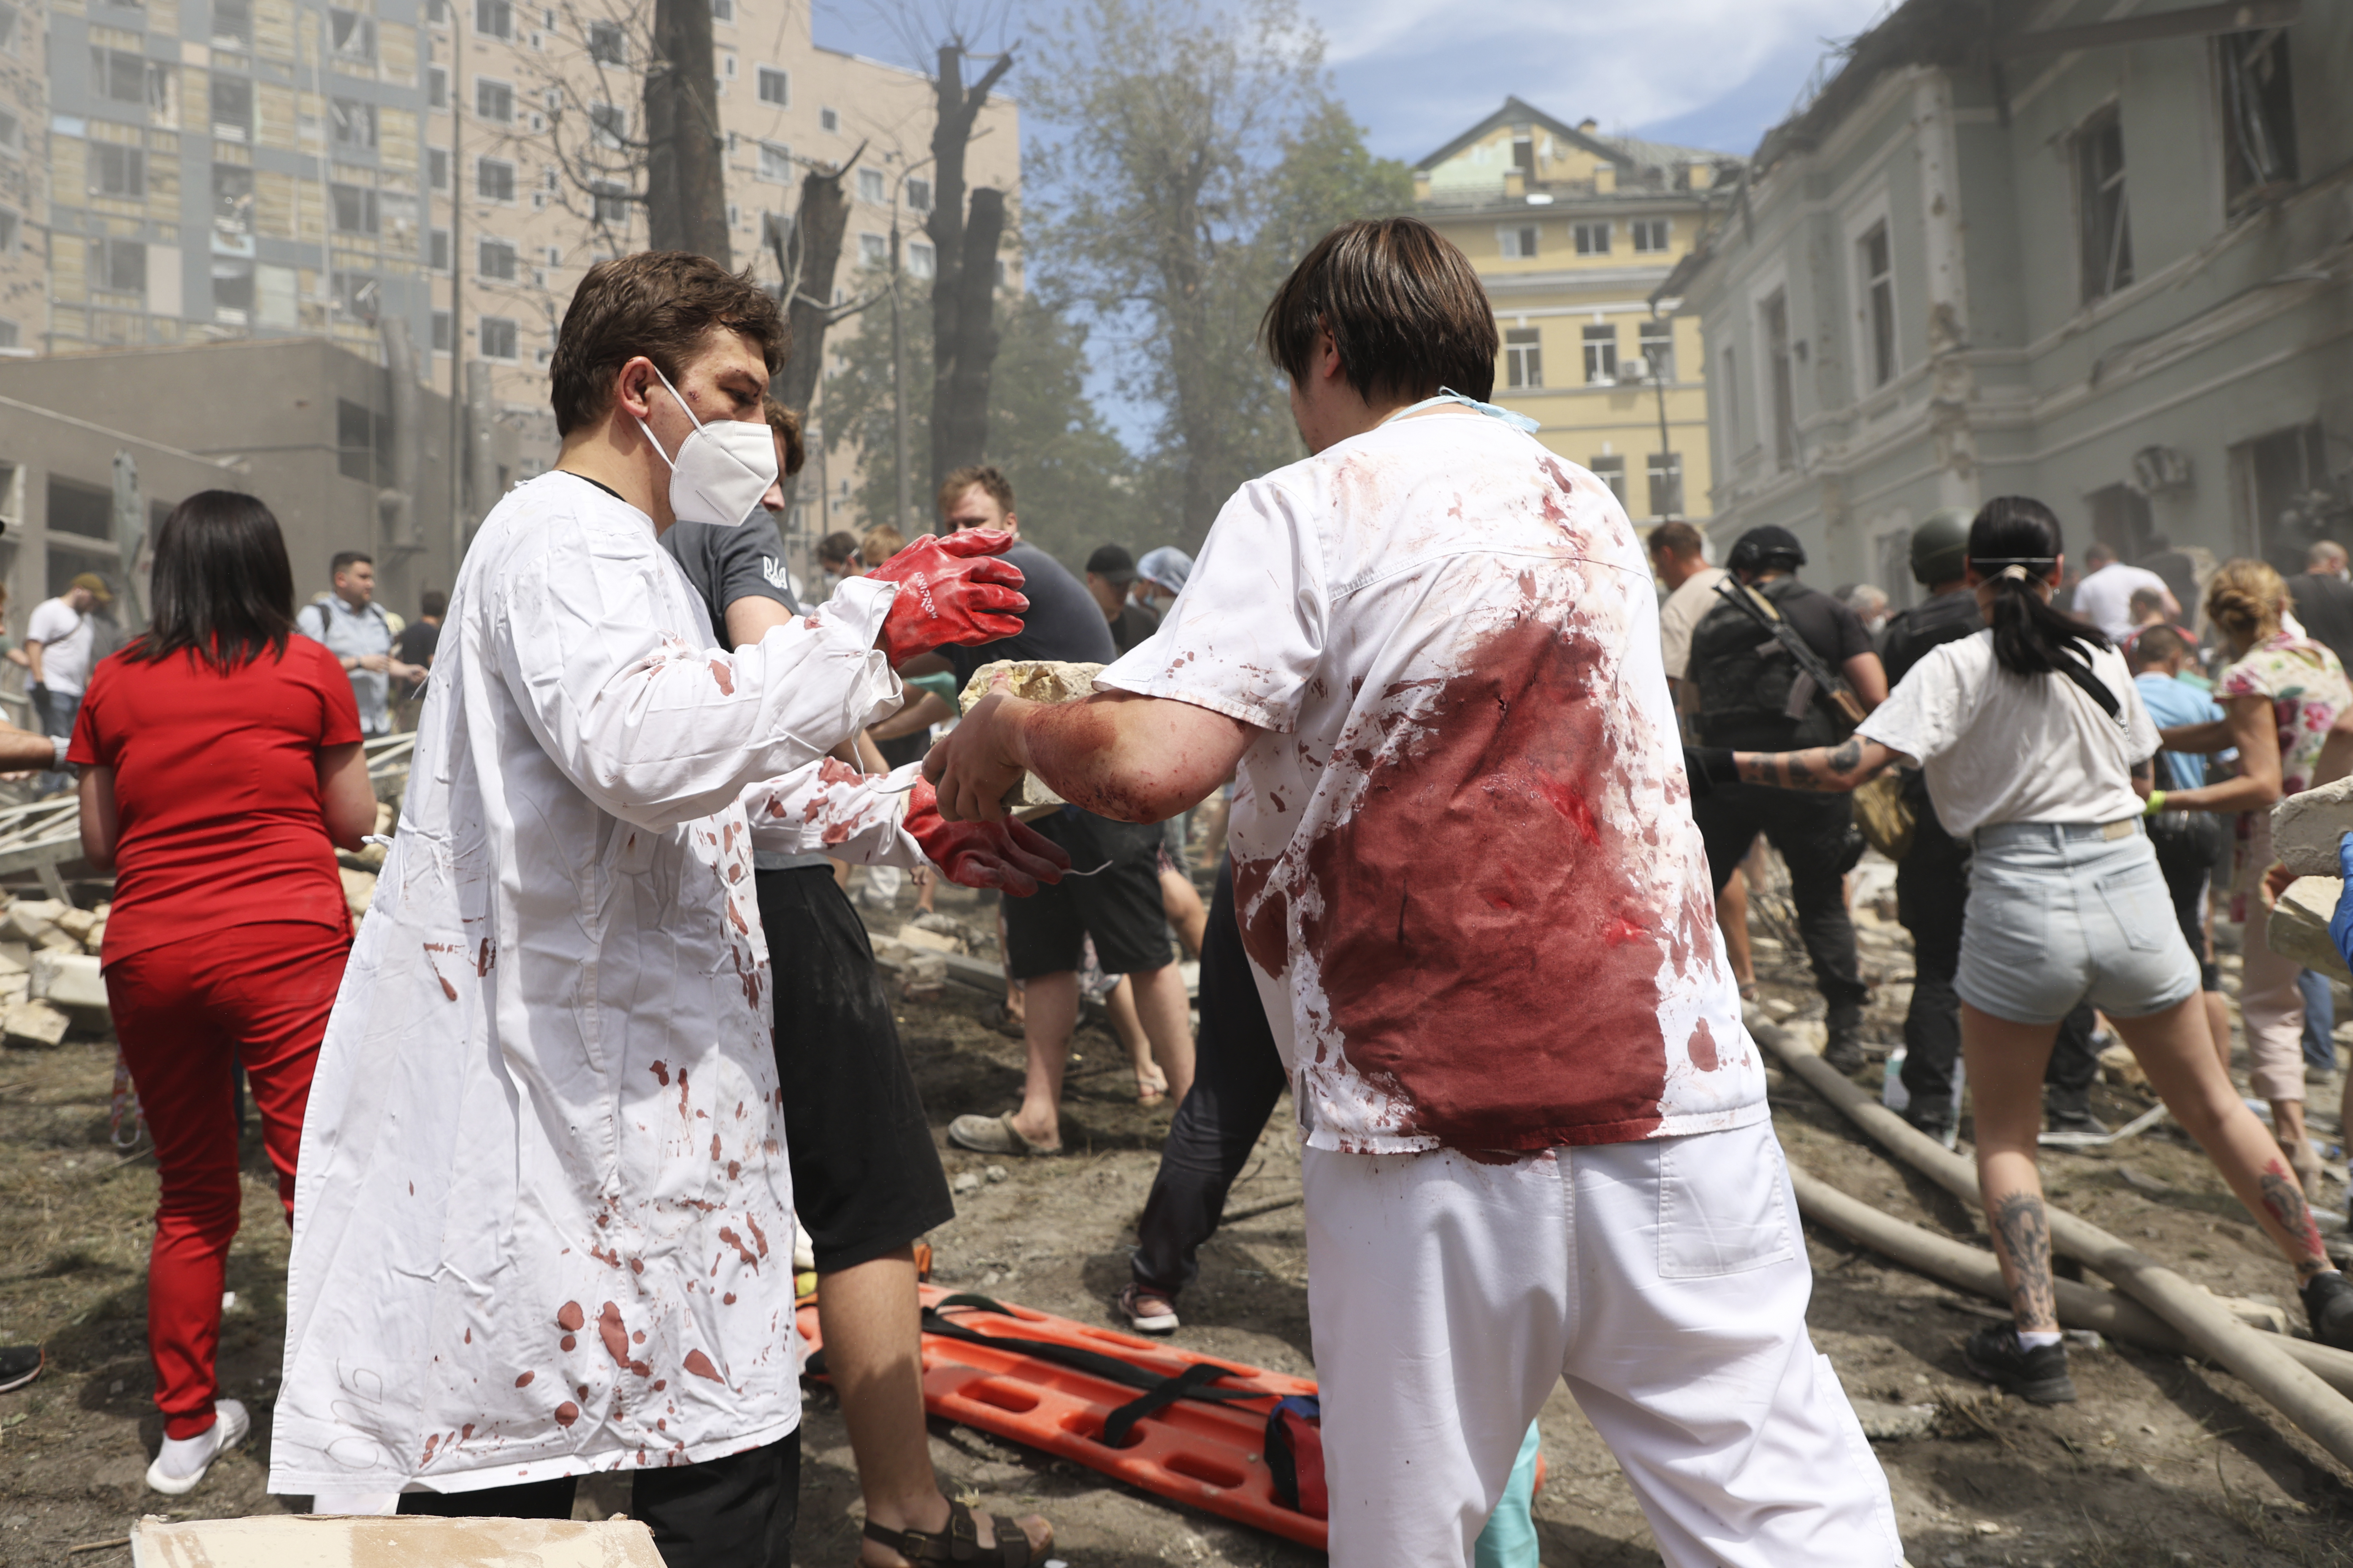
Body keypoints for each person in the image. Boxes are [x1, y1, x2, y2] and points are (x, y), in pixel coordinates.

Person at [928, 216, 1901, 1565]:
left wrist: (1007, 730)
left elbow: (1150, 759)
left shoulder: (1312, 500)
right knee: (1783, 1516)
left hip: (1431, 1119)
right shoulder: (1586, 503)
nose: (1293, 411)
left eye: (1292, 378)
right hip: (1674, 1100)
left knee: (1414, 1534)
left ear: (1327, 348)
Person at [267, 251, 1059, 1563]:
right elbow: (638, 741)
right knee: (514, 1499)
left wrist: (894, 812)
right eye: (734, 392)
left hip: (662, 1145)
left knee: (715, 1473)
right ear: (641, 388)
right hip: (559, 1133)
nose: (755, 431)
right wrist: (871, 623)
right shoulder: (558, 538)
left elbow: (703, 789)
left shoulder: (630, 559)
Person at [1687, 497, 2353, 1404]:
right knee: (2215, 1106)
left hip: (2015, 896)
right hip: (2129, 886)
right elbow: (2142, 777)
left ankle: (2038, 1341)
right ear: (2059, 570)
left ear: (1968, 576)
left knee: (2005, 1134)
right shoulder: (2102, 656)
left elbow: (1844, 768)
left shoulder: (1951, 665)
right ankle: (2323, 1282)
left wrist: (1721, 765)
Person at [658, 404, 1055, 1568]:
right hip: (775, 906)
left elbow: (713, 748)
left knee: (698, 1207)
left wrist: (888, 808)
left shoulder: (599, 554)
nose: (774, 495)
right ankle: (906, 1515)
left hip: (665, 923)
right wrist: (873, 637)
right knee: (868, 1205)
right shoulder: (732, 532)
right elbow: (778, 714)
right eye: (762, 464)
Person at [68, 492, 379, 1495]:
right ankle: (343, 1423)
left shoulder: (114, 680)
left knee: (192, 1196)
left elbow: (99, 843)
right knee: (313, 1183)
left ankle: (186, 1431)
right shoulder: (309, 667)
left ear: (168, 571)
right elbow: (355, 816)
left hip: (152, 952)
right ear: (271, 569)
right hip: (285, 943)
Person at [926, 467, 1195, 1157]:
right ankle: (1039, 1115)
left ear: (1008, 525)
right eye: (952, 524)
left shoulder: (1017, 575)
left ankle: (1197, 1116)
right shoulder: (970, 595)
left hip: (1094, 797)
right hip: (1031, 810)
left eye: (975, 521)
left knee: (1143, 952)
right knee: (1043, 958)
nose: (962, 536)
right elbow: (953, 691)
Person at [1878, 509, 2103, 1139]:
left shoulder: (1902, 634)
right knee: (2062, 955)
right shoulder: (2052, 627)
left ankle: (1929, 1107)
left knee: (1937, 963)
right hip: (2034, 816)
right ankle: (2068, 1105)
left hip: (1938, 815)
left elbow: (1883, 725)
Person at [2144, 559, 2353, 1194]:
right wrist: (2159, 738)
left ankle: (2293, 1143)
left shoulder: (2243, 674)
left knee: (2267, 998)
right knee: (2324, 971)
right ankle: (2333, 1141)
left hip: (2279, 838)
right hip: (2339, 828)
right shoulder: (2317, 659)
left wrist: (2157, 802)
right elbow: (2246, 731)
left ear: (2216, 617)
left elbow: (2259, 776)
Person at [1684, 524, 1888, 1071]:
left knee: (1694, 900)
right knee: (1821, 901)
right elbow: (1875, 697)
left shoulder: (1710, 622)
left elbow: (1693, 709)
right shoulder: (1828, 612)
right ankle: (1844, 1032)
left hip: (1726, 778)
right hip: (1809, 777)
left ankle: (1690, 1019)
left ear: (1742, 570)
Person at [2128, 624, 2234, 1076]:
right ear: (2176, 659)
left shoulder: (2121, 692)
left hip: (2133, 830)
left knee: (2136, 939)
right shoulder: (2198, 699)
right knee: (2196, 942)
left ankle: (2144, 1059)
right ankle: (2216, 1071)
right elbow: (2230, 762)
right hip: (2189, 827)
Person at [296, 552, 423, 738]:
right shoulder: (315, 617)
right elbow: (304, 670)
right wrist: (358, 663)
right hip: (337, 729)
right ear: (341, 579)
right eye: (363, 577)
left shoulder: (378, 615)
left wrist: (407, 671)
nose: (371, 584)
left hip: (380, 727)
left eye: (371, 578)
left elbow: (383, 661)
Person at [27, 573, 112, 788]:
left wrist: (90, 685)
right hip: (53, 686)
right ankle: (50, 789)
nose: (94, 605)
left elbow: (83, 656)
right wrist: (40, 681)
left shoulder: (87, 619)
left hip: (75, 689)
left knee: (75, 740)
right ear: (79, 590)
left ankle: (63, 787)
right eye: (93, 599)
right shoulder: (50, 610)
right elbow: (34, 644)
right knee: (58, 738)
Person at [1647, 520, 1725, 691]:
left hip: (1709, 711)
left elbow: (1668, 683)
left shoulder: (1678, 607)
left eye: (1656, 564)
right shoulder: (1734, 584)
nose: (1659, 575)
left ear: (1667, 555)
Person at [2068, 540, 2178, 641]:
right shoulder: (2147, 576)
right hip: (2150, 641)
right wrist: (2160, 633)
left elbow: (2079, 625)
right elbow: (2174, 610)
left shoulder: (2087, 585)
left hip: (2114, 646)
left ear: (2094, 563)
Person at [2289, 541, 2353, 681]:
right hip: (2347, 676)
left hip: (2306, 674)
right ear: (2334, 562)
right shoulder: (2348, 591)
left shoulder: (2287, 590)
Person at [1084, 544, 1162, 655]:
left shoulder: (1144, 624)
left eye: (1128, 585)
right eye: (1117, 585)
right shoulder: (1073, 624)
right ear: (1091, 580)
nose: (1124, 592)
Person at [389, 590, 445, 731]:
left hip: (407, 697)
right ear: (443, 611)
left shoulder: (409, 631)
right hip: (424, 699)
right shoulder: (433, 632)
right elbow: (434, 663)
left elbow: (400, 660)